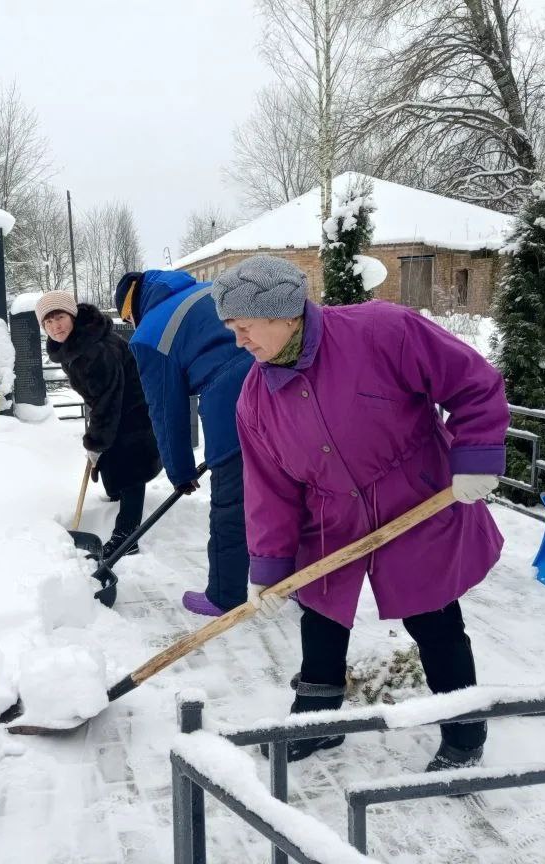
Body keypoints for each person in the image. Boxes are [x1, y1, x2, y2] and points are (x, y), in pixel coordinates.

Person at [212, 255, 508, 771]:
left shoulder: (381, 330)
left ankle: (464, 731)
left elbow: (473, 382)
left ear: (284, 314)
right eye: (231, 329)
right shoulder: (255, 401)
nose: (239, 342)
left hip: (415, 500)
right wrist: (269, 567)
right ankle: (317, 722)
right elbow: (270, 491)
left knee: (433, 617)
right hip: (329, 515)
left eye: (244, 327)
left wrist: (477, 454)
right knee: (322, 617)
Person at [113, 270, 254, 616]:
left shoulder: (149, 334)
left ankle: (224, 595)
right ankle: (298, 582)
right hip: (283, 382)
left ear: (132, 310)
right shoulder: (208, 289)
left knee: (232, 502)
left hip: (232, 402)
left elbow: (166, 409)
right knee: (289, 491)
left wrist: (180, 472)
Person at [37, 290, 162, 559]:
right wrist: (98, 439)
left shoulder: (94, 351)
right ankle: (116, 503)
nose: (55, 326)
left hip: (133, 412)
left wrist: (96, 442)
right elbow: (101, 400)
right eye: (48, 322)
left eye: (60, 318)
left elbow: (107, 400)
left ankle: (126, 537)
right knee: (114, 463)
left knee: (129, 470)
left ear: (72, 316)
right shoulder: (77, 344)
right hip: (118, 410)